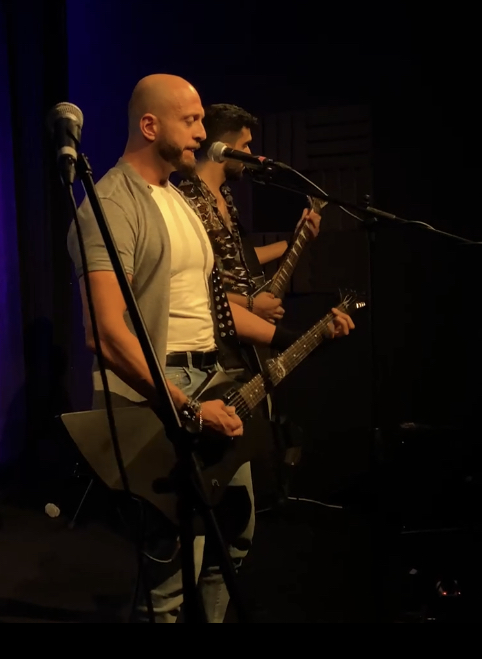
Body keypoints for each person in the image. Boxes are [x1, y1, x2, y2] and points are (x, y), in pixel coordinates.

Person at [66, 74, 354, 623]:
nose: (203, 133)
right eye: (191, 120)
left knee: (235, 535)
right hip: (164, 396)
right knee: (172, 570)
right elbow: (104, 333)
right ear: (150, 126)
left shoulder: (181, 199)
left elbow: (214, 308)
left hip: (215, 381)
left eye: (201, 120)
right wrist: (188, 408)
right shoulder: (110, 204)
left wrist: (293, 338)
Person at [176, 103, 321, 325]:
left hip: (242, 326)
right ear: (224, 150)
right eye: (244, 145)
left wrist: (296, 240)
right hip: (215, 327)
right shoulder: (188, 200)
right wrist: (251, 305)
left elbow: (240, 259)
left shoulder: (225, 196)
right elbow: (193, 285)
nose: (250, 154)